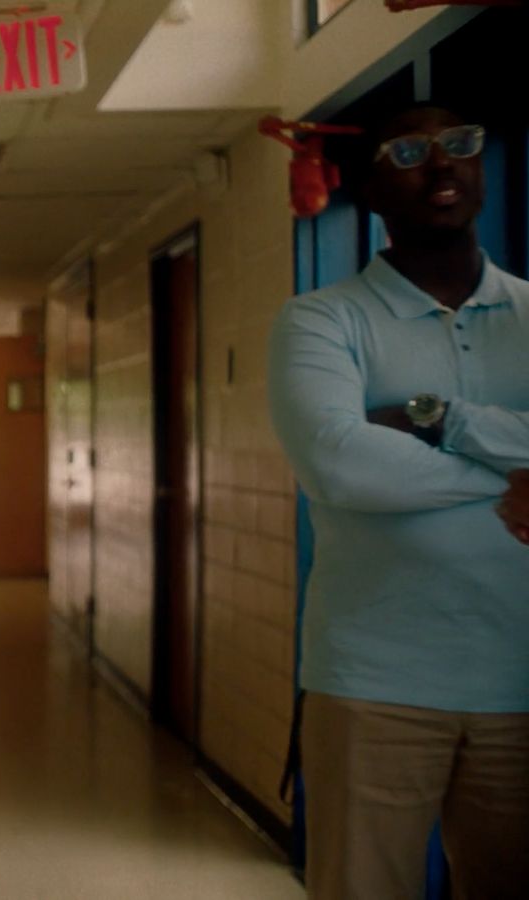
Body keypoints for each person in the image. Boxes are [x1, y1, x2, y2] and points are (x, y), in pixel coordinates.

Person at [267, 104, 529, 900]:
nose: (443, 165)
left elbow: (380, 455)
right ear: (371, 187)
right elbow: (342, 465)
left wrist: (440, 420)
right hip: (374, 678)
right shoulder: (321, 321)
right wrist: (515, 477)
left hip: (522, 680)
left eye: (460, 143)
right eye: (411, 151)